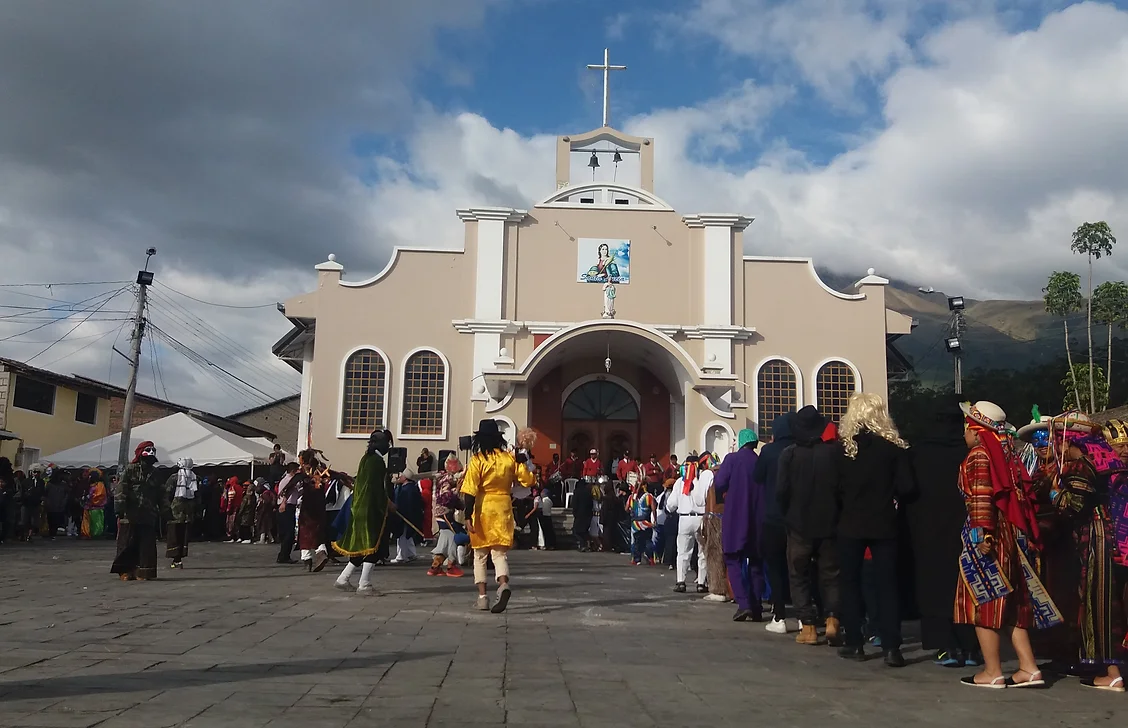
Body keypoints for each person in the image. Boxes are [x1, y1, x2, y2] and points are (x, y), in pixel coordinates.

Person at [954, 401, 1060, 688]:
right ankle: (1028, 667)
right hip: (1012, 534)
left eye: (966, 427)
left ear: (976, 431)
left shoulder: (979, 455)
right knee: (1013, 603)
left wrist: (982, 534)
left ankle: (992, 671)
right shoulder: (1007, 454)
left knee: (984, 600)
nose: (964, 433)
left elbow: (981, 495)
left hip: (990, 534)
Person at [1021, 412, 1126, 691]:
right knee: (1106, 603)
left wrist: (1055, 493)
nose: (1056, 446)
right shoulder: (1106, 460)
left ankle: (1112, 673)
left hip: (1096, 536)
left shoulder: (1082, 464)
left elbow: (1074, 506)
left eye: (1058, 440)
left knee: (1099, 604)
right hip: (1110, 535)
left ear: (1070, 440)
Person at [834, 393, 916, 667]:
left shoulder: (844, 449)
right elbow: (907, 487)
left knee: (850, 584)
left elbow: (834, 489)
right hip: (884, 522)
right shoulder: (893, 449)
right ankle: (892, 647)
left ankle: (855, 642)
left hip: (850, 523)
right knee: (887, 585)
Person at [777, 405, 842, 646]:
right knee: (831, 574)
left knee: (799, 575)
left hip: (799, 523)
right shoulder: (834, 453)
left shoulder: (790, 454)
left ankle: (808, 626)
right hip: (829, 522)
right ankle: (833, 619)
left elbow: (781, 491)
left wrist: (787, 514)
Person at [460, 419, 535, 612]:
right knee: (499, 554)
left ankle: (482, 597)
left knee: (480, 555)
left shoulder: (477, 460)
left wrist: (467, 515)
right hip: (503, 508)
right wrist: (523, 462)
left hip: (483, 508)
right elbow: (528, 481)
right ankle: (503, 584)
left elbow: (469, 490)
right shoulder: (509, 458)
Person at [334, 430, 394, 595]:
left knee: (362, 545)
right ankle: (364, 584)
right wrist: (387, 503)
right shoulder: (377, 462)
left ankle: (343, 578)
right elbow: (375, 489)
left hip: (359, 508)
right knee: (374, 546)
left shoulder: (366, 459)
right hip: (371, 510)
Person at [714, 429, 764, 622]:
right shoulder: (760, 461)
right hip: (758, 517)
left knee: (733, 559)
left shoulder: (732, 460)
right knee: (756, 562)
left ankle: (744, 603)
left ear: (741, 442)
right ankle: (756, 605)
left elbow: (719, 483)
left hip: (736, 516)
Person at [755, 415, 797, 634]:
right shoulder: (799, 449)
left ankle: (779, 615)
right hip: (797, 518)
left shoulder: (769, 451)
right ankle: (804, 616)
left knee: (775, 567)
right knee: (799, 568)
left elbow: (757, 476)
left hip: (773, 516)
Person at [111, 441, 165, 581]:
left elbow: (162, 494)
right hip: (130, 514)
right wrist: (120, 508)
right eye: (148, 450)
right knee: (127, 543)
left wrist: (166, 511)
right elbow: (121, 489)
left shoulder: (156, 473)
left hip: (148, 514)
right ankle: (125, 571)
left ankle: (143, 571)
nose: (151, 453)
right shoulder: (130, 470)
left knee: (146, 545)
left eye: (153, 450)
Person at [668, 452, 712, 594]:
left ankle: (681, 581)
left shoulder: (680, 482)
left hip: (684, 518)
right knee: (702, 552)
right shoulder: (702, 480)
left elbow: (671, 504)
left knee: (683, 552)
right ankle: (701, 583)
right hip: (700, 518)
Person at [429, 454, 465, 576]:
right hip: (444, 513)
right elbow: (446, 498)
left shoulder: (444, 478)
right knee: (456, 537)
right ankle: (451, 565)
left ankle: (435, 566)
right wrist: (457, 490)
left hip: (442, 513)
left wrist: (460, 504)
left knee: (445, 539)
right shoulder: (446, 479)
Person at [296, 449, 330, 572]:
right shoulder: (321, 472)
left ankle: (308, 561)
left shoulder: (304, 473)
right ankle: (321, 552)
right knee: (318, 532)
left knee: (305, 534)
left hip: (308, 508)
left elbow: (294, 486)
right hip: (320, 506)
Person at [164, 458, 197, 568]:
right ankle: (178, 559)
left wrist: (166, 508)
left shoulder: (174, 477)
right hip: (187, 513)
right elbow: (197, 496)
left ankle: (176, 559)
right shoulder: (194, 478)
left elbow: (167, 493)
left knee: (174, 535)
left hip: (175, 512)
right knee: (183, 535)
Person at [390, 469, 424, 563]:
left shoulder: (407, 489)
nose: (400, 477)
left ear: (405, 478)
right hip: (407, 515)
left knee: (402, 536)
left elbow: (407, 504)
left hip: (404, 515)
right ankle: (410, 553)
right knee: (407, 536)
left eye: (401, 476)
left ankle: (401, 556)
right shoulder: (409, 487)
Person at [626, 477, 657, 565]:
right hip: (645, 523)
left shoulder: (632, 497)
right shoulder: (649, 496)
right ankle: (651, 558)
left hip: (635, 523)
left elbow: (626, 508)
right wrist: (655, 520)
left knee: (636, 541)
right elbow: (653, 509)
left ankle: (636, 559)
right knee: (647, 540)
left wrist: (632, 511)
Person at [276, 462, 300, 563]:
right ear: (293, 471)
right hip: (287, 506)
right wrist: (284, 503)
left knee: (287, 532)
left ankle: (283, 554)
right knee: (288, 532)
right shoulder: (289, 481)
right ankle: (284, 556)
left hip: (287, 506)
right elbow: (287, 492)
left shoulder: (286, 480)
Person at [81, 469, 108, 539]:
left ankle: (96, 534)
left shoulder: (100, 485)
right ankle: (86, 533)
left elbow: (100, 495)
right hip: (88, 507)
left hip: (96, 508)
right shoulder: (89, 484)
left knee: (96, 522)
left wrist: (90, 497)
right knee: (87, 521)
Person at [44, 467, 68, 540]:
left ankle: (53, 533)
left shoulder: (63, 484)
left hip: (59, 505)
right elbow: (45, 494)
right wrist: (47, 502)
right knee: (51, 520)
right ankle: (51, 533)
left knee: (56, 520)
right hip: (51, 505)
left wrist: (63, 502)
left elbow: (66, 494)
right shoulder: (50, 484)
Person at [220, 477, 243, 543]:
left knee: (230, 523)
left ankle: (231, 537)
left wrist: (228, 508)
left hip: (232, 508)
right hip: (238, 507)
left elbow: (230, 499)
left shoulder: (232, 488)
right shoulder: (240, 488)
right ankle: (237, 536)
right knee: (236, 523)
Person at [255, 480, 276, 544]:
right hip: (268, 512)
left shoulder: (265, 494)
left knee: (263, 526)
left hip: (264, 513)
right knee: (267, 527)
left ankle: (262, 539)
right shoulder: (268, 493)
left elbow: (266, 503)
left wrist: (261, 511)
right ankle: (271, 539)